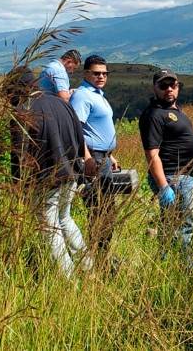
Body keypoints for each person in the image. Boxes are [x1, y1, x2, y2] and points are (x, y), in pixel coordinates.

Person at [8, 66, 92, 278]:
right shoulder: (61, 103)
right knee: (65, 218)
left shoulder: (22, 112)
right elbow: (79, 139)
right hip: (71, 173)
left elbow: (20, 155)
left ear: (18, 88)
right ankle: (88, 268)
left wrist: (19, 185)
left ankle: (69, 281)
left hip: (47, 179)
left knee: (49, 227)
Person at [139, 69, 193, 263]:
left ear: (178, 87)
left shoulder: (173, 111)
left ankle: (165, 263)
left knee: (171, 225)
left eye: (172, 85)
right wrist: (164, 186)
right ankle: (185, 267)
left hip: (183, 177)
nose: (169, 89)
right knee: (183, 225)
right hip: (173, 177)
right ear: (154, 88)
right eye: (163, 86)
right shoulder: (154, 115)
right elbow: (152, 153)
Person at [70, 55, 119, 262]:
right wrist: (88, 157)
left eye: (104, 73)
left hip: (103, 158)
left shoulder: (98, 95)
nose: (101, 76)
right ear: (86, 74)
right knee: (98, 210)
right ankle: (97, 259)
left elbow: (96, 129)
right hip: (93, 160)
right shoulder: (82, 96)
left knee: (107, 210)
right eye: (96, 73)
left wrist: (110, 154)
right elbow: (75, 130)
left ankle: (103, 256)